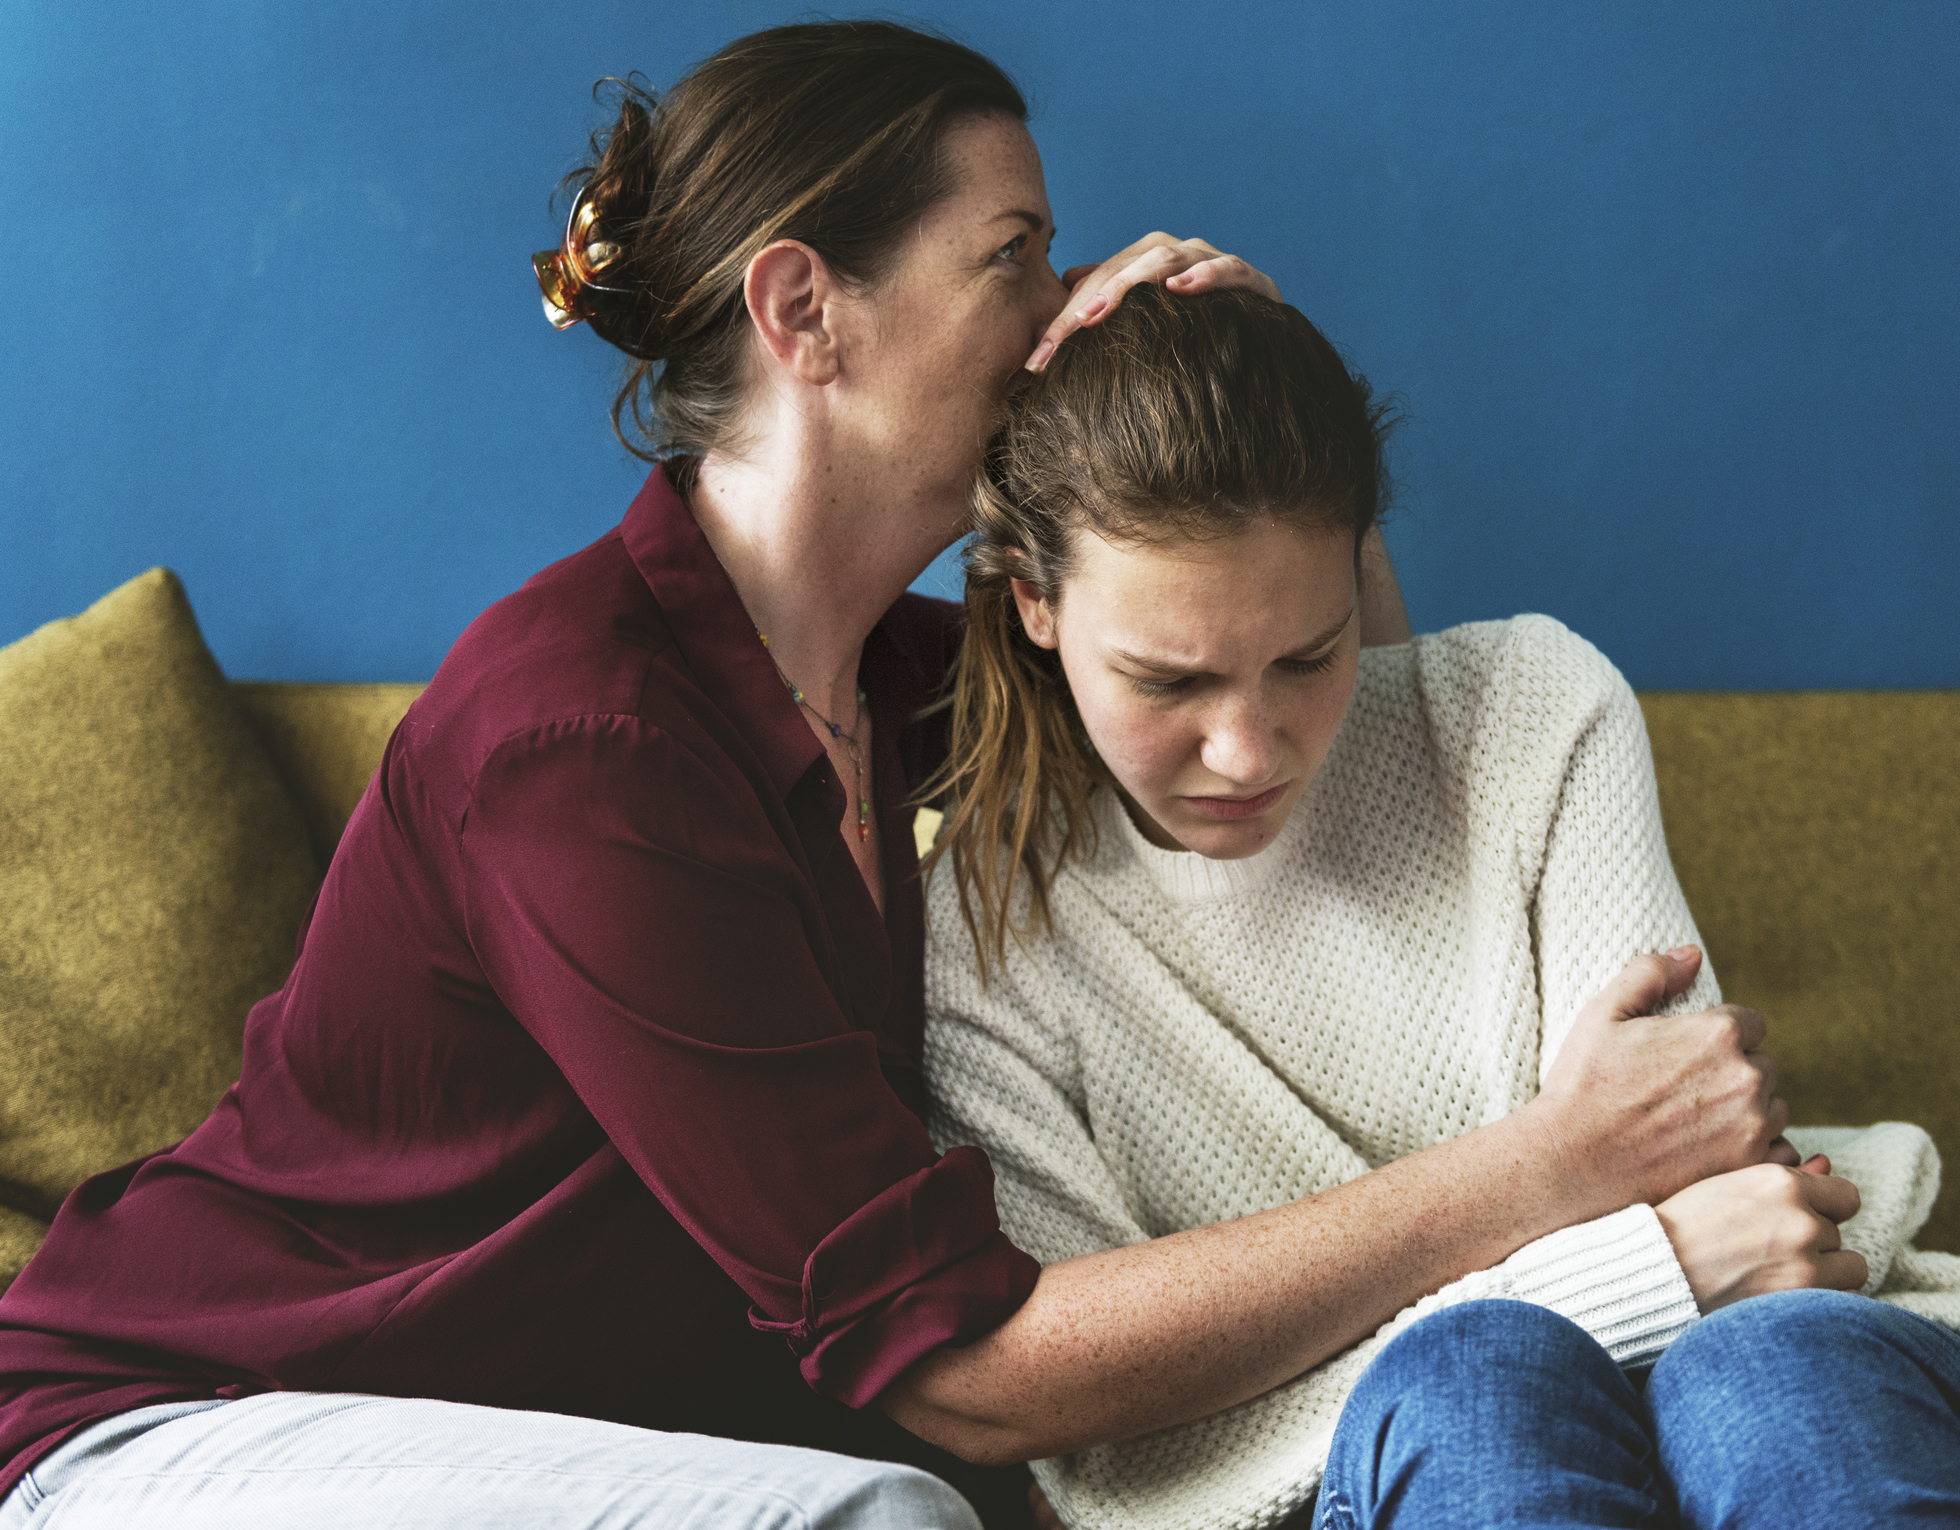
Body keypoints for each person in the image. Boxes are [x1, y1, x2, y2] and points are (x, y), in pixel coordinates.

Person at [0, 21, 1394, 1530]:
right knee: (881, 1520)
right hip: (170, 1434)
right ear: (807, 310)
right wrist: (1547, 1174)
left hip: (508, 1446)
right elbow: (963, 1366)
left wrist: (1268, 416)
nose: (1064, 318)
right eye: (1014, 259)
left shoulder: (913, 683)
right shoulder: (582, 748)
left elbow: (1348, 742)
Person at [920, 281, 1960, 1528]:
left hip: (1783, 1339)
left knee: (1768, 1367)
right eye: (1168, 679)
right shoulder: (982, 931)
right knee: (1470, 1386)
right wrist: (1645, 1266)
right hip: (1346, 1470)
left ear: (1361, 565)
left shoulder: (1528, 710)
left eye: (1308, 657)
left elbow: (1706, 1184)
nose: (1249, 751)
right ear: (1034, 602)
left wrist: (1662, 1248)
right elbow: (1114, 1442)